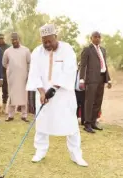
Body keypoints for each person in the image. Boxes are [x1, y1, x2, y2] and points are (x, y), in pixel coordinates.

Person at [26, 24, 88, 167]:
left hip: (63, 96)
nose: (47, 44)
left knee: (71, 125)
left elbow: (70, 72)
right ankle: (40, 151)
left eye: (50, 41)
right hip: (43, 97)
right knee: (42, 123)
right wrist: (42, 92)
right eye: (44, 41)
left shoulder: (67, 50)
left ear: (56, 37)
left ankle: (76, 155)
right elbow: (34, 74)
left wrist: (53, 89)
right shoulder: (36, 52)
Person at [79, 31, 112, 133]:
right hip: (91, 79)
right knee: (89, 102)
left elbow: (104, 65)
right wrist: (81, 80)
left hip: (101, 79)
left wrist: (108, 79)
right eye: (95, 37)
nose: (97, 39)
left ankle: (93, 122)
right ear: (91, 38)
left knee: (98, 102)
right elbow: (83, 65)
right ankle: (87, 124)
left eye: (99, 37)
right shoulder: (87, 50)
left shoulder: (103, 50)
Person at [3, 32, 31, 122]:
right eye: (12, 40)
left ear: (19, 39)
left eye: (16, 39)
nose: (14, 41)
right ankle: (11, 115)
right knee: (12, 95)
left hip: (23, 76)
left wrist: (28, 73)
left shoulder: (26, 50)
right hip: (12, 77)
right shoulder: (7, 51)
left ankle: (24, 115)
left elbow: (29, 62)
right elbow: (4, 63)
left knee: (24, 95)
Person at [0, 33, 10, 113]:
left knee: (5, 91)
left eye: (1, 38)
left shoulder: (8, 47)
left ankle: (5, 107)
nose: (0, 40)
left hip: (6, 72)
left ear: (3, 38)